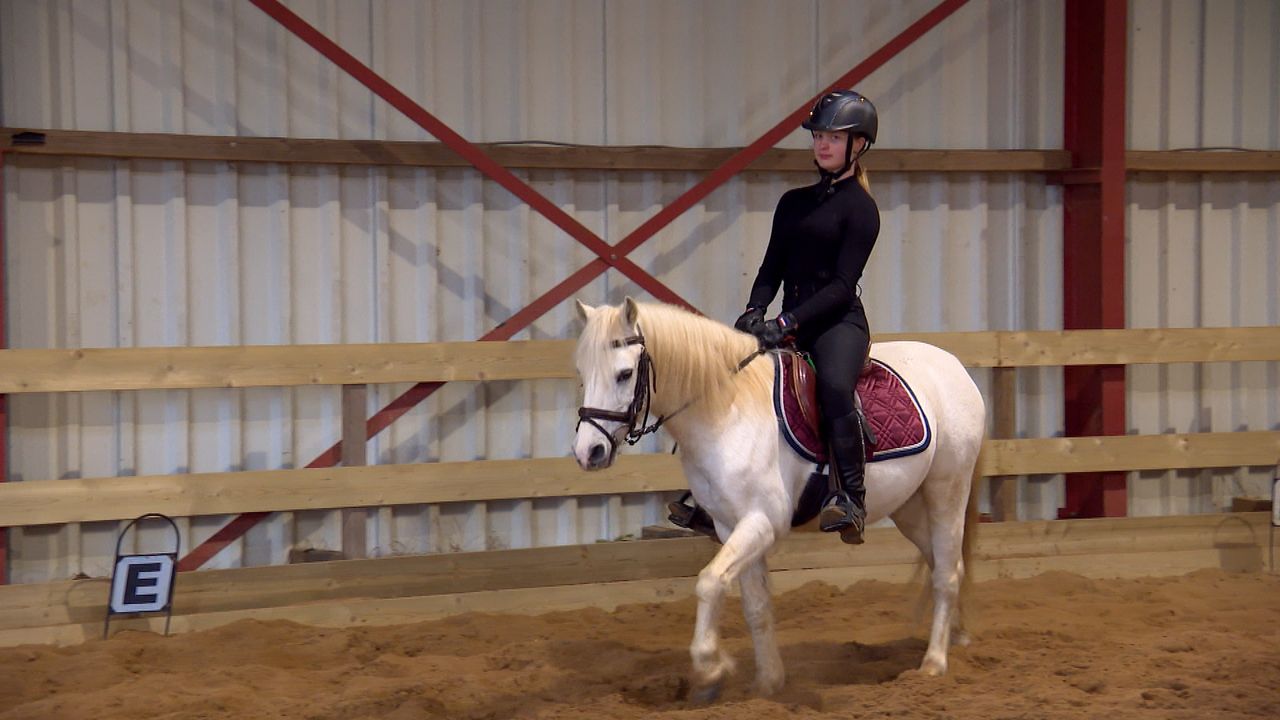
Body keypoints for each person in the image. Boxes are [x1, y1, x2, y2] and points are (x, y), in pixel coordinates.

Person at [669, 89, 879, 544]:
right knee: (732, 379)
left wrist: (787, 323)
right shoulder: (792, 203)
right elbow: (771, 268)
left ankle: (851, 498)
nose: (821, 144)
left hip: (837, 324)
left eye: (833, 137)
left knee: (834, 387)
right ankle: (713, 497)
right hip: (791, 321)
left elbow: (842, 288)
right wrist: (754, 310)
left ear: (857, 145)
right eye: (818, 136)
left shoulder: (861, 210)